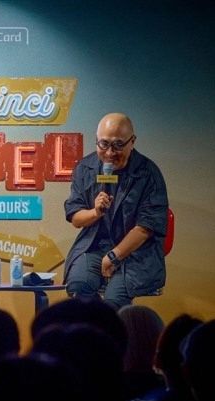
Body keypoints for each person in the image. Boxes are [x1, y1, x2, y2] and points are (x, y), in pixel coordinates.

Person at [64, 112, 168, 309]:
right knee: (79, 288)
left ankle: (112, 327)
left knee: (114, 300)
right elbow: (76, 218)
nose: (110, 153)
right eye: (103, 144)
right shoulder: (85, 168)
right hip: (94, 247)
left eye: (118, 145)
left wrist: (114, 256)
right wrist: (95, 212)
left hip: (136, 253)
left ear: (132, 142)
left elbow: (146, 227)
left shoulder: (148, 173)